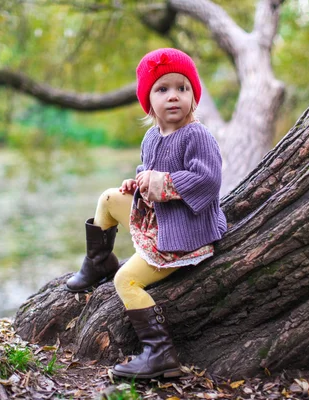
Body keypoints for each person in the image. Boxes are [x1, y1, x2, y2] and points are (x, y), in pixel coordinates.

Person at [65, 48, 227, 379]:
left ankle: (160, 353)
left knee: (127, 280)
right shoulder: (152, 136)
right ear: (148, 100)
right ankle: (98, 263)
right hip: (160, 220)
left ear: (193, 96)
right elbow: (147, 172)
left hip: (184, 236)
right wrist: (137, 184)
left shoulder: (197, 135)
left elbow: (208, 181)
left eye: (182, 89)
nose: (174, 97)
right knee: (109, 198)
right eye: (162, 89)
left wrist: (161, 183)